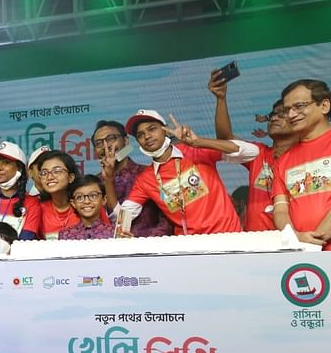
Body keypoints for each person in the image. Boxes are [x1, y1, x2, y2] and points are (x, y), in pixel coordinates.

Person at [111, 109, 258, 235]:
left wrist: (199, 142)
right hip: (190, 248)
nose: (147, 136)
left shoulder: (196, 151)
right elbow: (123, 217)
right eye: (140, 135)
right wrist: (107, 178)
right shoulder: (146, 179)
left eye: (152, 129)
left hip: (228, 237)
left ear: (166, 129)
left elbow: (252, 152)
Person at [208, 72, 298, 231]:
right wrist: (221, 99)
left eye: (282, 114)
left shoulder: (307, 157)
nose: (275, 118)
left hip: (295, 238)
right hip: (257, 243)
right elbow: (225, 139)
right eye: (273, 114)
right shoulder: (258, 153)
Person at [272, 79, 331, 250]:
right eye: (287, 110)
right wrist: (295, 237)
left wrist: (319, 237)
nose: (291, 115)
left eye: (299, 106)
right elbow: (281, 210)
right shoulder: (283, 160)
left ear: (324, 106)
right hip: (304, 255)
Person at [91, 120, 173, 236]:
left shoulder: (151, 173)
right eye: (99, 143)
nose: (106, 146)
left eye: (111, 139)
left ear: (126, 140)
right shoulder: (93, 184)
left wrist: (143, 244)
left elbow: (168, 218)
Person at [34, 149, 81, 239]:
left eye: (56, 171)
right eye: (44, 173)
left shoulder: (87, 204)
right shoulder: (38, 210)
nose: (49, 177)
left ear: (71, 177)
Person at [59, 175, 114, 240]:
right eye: (79, 197)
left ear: (104, 199)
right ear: (73, 203)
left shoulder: (114, 233)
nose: (87, 201)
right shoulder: (65, 235)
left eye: (93, 196)